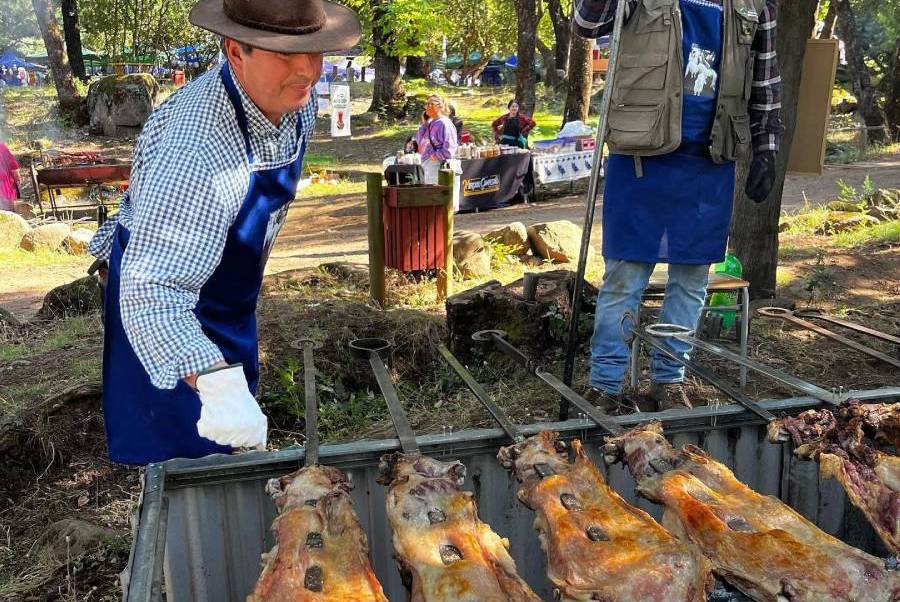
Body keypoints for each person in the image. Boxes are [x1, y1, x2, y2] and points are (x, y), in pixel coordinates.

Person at [87, 0, 361, 465]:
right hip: (162, 307)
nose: (306, 71)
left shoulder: (295, 102)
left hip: (227, 302)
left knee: (233, 449)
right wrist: (214, 380)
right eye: (284, 54)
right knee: (184, 466)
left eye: (313, 51)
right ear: (236, 52)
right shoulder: (196, 148)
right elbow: (152, 288)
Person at [575, 0, 781, 413]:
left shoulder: (757, 4)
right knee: (624, 276)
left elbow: (766, 82)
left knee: (691, 280)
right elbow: (587, 23)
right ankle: (606, 384)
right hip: (640, 156)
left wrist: (767, 148)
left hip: (709, 160)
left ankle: (669, 381)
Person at [415, 94, 458, 184]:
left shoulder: (444, 123)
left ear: (440, 106)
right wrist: (425, 122)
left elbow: (450, 148)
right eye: (427, 104)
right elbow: (420, 142)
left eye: (431, 104)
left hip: (437, 166)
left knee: (435, 195)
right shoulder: (431, 123)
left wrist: (436, 156)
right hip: (427, 165)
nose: (428, 106)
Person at [0, 141, 20, 212]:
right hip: (4, 183)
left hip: (4, 181)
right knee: (7, 208)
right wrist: (17, 175)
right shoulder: (1, 146)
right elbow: (12, 164)